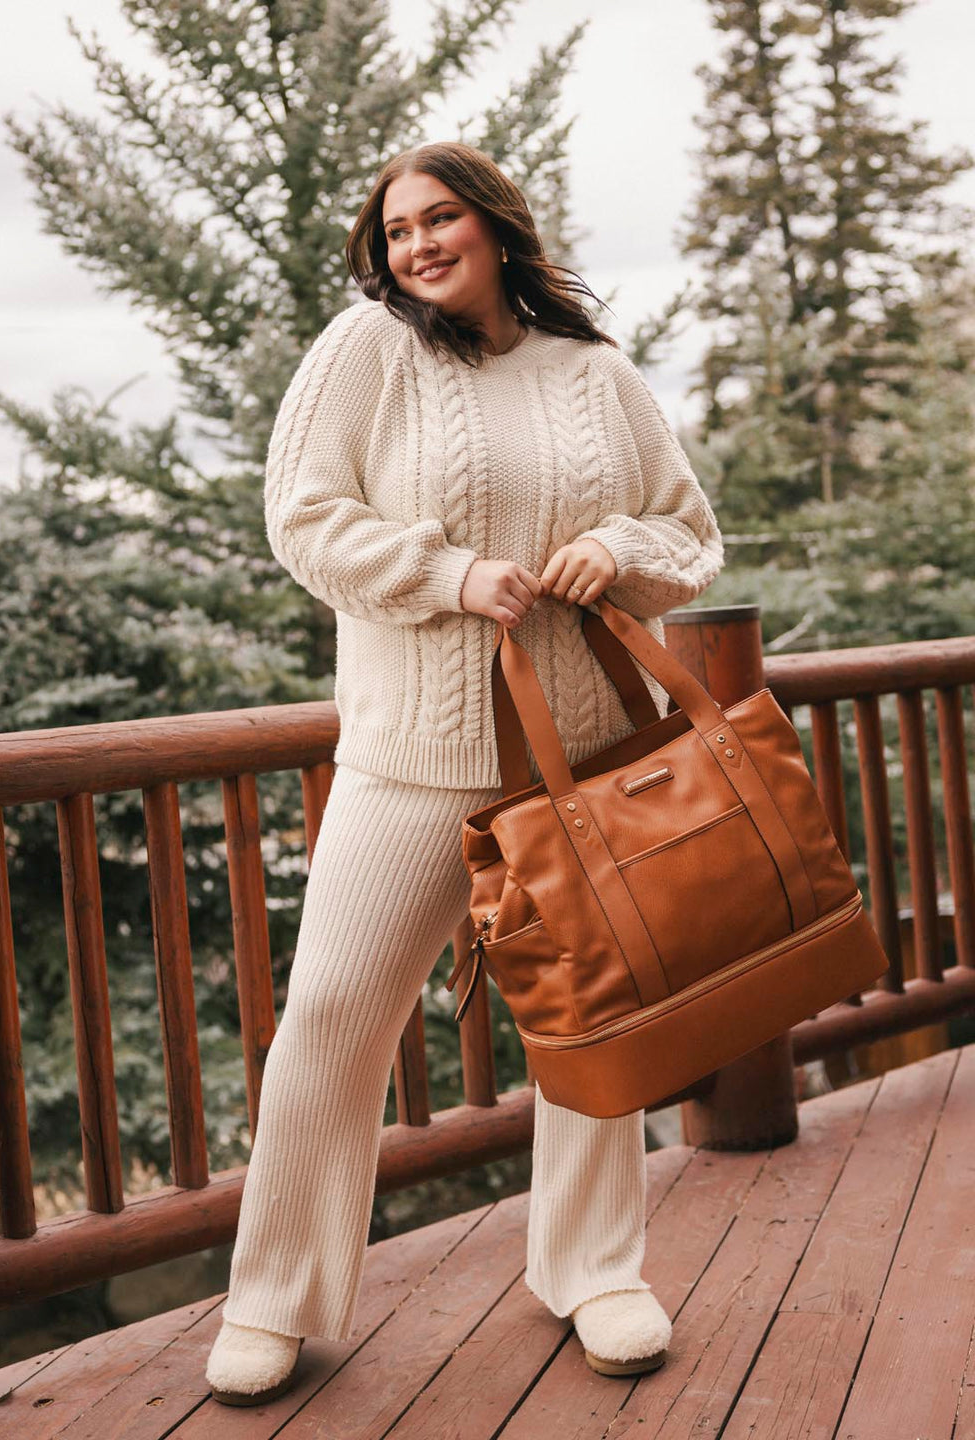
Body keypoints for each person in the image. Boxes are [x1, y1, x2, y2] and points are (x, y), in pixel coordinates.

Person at [205, 140, 725, 1405]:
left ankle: (596, 1268)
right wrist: (450, 576)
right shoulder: (367, 352)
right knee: (331, 1013)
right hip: (412, 757)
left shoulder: (593, 373)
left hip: (586, 751)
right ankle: (274, 1294)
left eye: (443, 219)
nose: (419, 245)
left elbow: (690, 533)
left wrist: (611, 544)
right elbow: (306, 518)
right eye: (397, 230)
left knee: (595, 1011)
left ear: (496, 228)